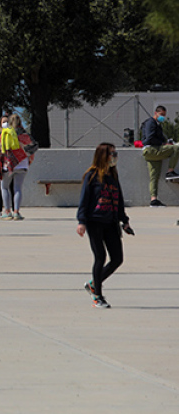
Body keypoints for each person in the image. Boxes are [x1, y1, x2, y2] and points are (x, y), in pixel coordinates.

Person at [76, 143, 134, 309]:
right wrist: (81, 221)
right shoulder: (92, 175)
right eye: (112, 154)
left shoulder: (113, 175)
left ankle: (94, 283)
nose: (115, 157)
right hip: (95, 221)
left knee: (117, 259)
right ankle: (98, 296)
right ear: (103, 156)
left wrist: (125, 221)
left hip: (111, 222)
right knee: (100, 257)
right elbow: (84, 200)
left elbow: (119, 200)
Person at [0, 113, 32, 221]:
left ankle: (7, 211)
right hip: (22, 164)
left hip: (7, 165)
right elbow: (32, 147)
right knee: (18, 188)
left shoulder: (4, 133)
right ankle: (16, 212)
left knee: (4, 187)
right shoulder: (24, 134)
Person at [141, 105, 179, 207]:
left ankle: (153, 200)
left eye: (164, 115)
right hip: (151, 150)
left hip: (151, 152)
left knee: (154, 176)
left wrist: (165, 142)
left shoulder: (157, 124)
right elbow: (150, 138)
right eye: (161, 114)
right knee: (176, 148)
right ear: (155, 113)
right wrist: (163, 145)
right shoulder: (151, 123)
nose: (163, 117)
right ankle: (170, 171)